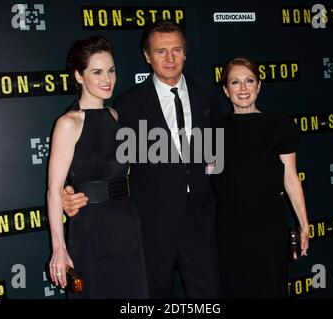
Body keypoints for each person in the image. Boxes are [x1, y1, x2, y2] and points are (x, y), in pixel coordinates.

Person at [62, 21, 222, 298]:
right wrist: (68, 189)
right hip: (150, 222)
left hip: (201, 218)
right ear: (147, 56)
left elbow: (221, 156)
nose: (170, 58)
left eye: (176, 50)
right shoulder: (127, 105)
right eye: (161, 51)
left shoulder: (208, 95)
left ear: (186, 53)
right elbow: (89, 142)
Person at [47, 35, 148, 298]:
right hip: (90, 229)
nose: (107, 79)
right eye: (97, 72)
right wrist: (59, 248)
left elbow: (128, 174)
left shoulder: (116, 117)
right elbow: (54, 189)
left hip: (126, 225)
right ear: (79, 76)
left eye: (111, 71)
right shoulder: (69, 123)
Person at [212, 57, 310, 298]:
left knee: (270, 289)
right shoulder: (213, 129)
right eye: (235, 82)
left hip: (269, 226)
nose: (243, 89)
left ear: (259, 86)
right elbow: (207, 176)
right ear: (226, 89)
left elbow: (290, 178)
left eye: (249, 81)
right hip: (230, 227)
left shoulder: (279, 126)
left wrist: (304, 225)